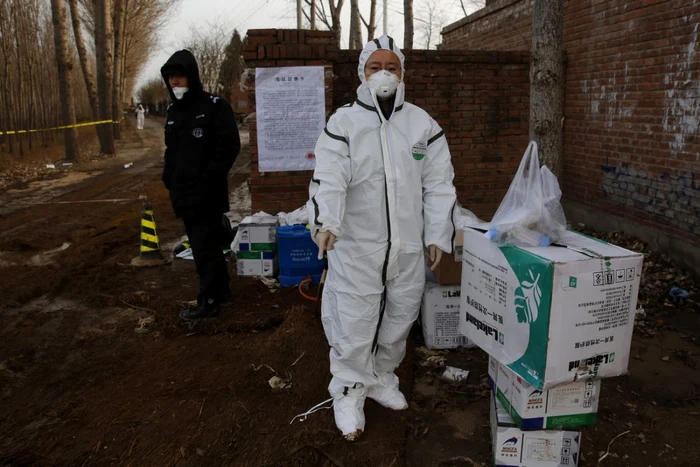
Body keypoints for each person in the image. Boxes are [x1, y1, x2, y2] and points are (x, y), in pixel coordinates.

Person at [306, 36, 457, 441]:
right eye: (376, 67)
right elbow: (330, 176)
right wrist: (327, 223)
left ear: (403, 72)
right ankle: (350, 390)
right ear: (362, 73)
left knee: (401, 313)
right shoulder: (344, 123)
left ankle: (382, 376)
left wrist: (437, 234)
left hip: (407, 244)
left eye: (392, 66)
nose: (385, 73)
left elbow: (440, 184)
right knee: (354, 318)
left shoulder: (422, 124)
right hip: (357, 244)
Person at [160, 49, 241, 320]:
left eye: (179, 77)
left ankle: (209, 300)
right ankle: (223, 293)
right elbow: (171, 150)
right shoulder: (173, 111)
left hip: (206, 194)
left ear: (191, 76)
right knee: (204, 246)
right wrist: (168, 177)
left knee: (204, 249)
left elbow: (229, 147)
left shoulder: (214, 107)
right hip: (183, 195)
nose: (175, 83)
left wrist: (208, 179)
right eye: (171, 78)